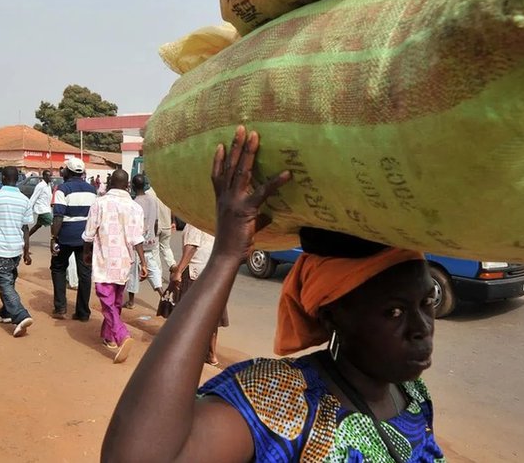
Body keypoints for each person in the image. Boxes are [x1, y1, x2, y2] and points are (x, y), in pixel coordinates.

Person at [102, 127, 442, 462]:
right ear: (331, 314)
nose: (422, 327)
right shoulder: (286, 399)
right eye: (394, 312)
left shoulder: (413, 396)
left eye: (428, 302)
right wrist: (225, 255)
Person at [82, 170, 149, 363]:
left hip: (105, 259)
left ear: (110, 182)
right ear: (127, 185)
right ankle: (108, 336)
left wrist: (86, 252)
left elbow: (89, 232)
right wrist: (143, 263)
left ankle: (121, 335)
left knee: (107, 301)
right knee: (116, 301)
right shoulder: (135, 207)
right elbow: (138, 239)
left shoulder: (99, 203)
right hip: (123, 261)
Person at [0, 166, 35, 337]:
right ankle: (6, 312)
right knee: (9, 279)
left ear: (4, 178)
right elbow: (25, 228)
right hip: (16, 248)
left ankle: (20, 315)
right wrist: (26, 252)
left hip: (2, 248)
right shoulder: (24, 199)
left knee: (4, 281)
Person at [50, 157, 97, 321]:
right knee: (85, 273)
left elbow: (58, 217)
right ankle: (83, 312)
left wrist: (53, 237)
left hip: (65, 236)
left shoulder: (62, 189)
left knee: (58, 268)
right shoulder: (92, 190)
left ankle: (60, 307)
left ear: (67, 172)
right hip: (86, 238)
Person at [171, 222, 223, 366]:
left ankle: (187, 352)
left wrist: (179, 270)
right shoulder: (214, 222)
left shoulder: (194, 223)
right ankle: (212, 355)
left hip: (195, 272)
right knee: (211, 317)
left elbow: (192, 247)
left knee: (187, 315)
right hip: (213, 273)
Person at [125, 174, 163, 309]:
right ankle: (162, 295)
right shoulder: (153, 200)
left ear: (133, 186)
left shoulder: (134, 203)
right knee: (153, 270)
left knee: (133, 273)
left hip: (138, 244)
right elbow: (156, 221)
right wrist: (154, 236)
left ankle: (131, 301)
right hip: (151, 241)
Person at [147, 183, 177, 277]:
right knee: (166, 248)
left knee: (155, 250)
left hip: (155, 226)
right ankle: (173, 265)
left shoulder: (148, 193)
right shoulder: (167, 193)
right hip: (166, 224)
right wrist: (173, 221)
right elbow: (172, 209)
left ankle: (158, 274)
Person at [28, 170, 54, 237]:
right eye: (49, 176)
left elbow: (48, 197)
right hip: (42, 210)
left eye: (51, 176)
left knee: (37, 226)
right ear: (45, 176)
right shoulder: (40, 186)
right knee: (54, 223)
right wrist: (28, 209)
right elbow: (33, 198)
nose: (51, 177)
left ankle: (26, 237)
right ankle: (54, 241)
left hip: (47, 209)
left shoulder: (48, 186)